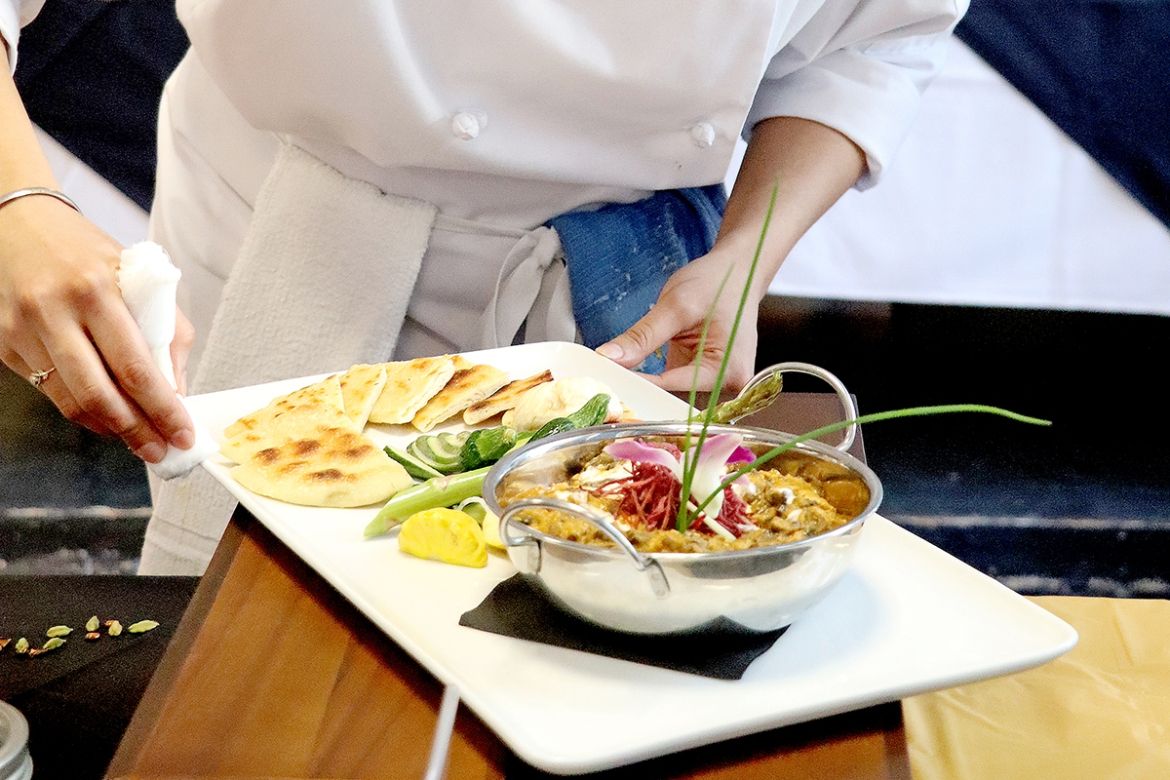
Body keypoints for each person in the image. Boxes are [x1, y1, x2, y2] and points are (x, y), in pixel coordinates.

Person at [0, 0, 968, 573]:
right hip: (293, 236)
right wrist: (14, 205)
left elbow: (870, 39)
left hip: (626, 292)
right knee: (261, 666)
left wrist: (748, 253)